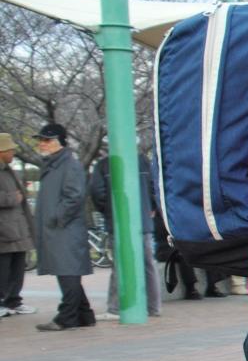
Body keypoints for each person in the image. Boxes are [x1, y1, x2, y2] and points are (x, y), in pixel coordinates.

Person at [30, 123, 94, 332]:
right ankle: (84, 315)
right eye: (41, 140)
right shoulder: (54, 164)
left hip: (64, 229)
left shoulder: (69, 165)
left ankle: (66, 317)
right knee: (67, 272)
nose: (42, 144)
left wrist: (57, 217)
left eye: (47, 140)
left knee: (68, 272)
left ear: (60, 142)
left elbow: (74, 196)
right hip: (59, 228)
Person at [90, 153, 164, 318]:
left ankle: (115, 307)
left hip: (119, 221)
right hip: (143, 219)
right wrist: (151, 208)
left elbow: (97, 193)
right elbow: (155, 187)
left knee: (119, 264)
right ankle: (154, 306)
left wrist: (109, 211)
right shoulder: (143, 161)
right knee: (148, 264)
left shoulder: (103, 164)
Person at [0, 132, 33, 317]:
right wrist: (12, 198)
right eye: (10, 149)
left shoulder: (9, 169)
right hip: (3, 230)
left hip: (18, 228)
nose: (13, 152)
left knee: (18, 267)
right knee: (3, 269)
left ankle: (14, 301)